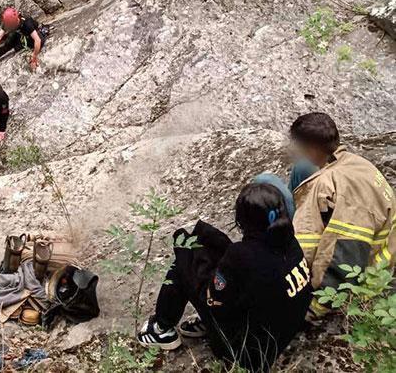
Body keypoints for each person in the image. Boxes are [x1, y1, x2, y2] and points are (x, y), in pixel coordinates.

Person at [138, 183, 312, 372]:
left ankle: (161, 328)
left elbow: (213, 301)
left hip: (245, 352)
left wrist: (195, 267)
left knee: (184, 256)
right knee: (212, 245)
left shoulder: (242, 256)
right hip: (281, 331)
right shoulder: (290, 241)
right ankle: (186, 324)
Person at [287, 112, 395, 319]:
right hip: (380, 244)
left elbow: (344, 254)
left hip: (367, 274)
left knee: (267, 184)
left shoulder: (332, 190)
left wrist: (315, 306)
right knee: (301, 170)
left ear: (310, 149)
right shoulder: (355, 162)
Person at [0, 7, 46, 71]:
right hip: (20, 34)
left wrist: (34, 56)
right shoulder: (7, 22)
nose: (10, 26)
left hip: (31, 35)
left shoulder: (26, 23)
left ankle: (20, 45)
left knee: (40, 41)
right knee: (8, 43)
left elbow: (37, 40)